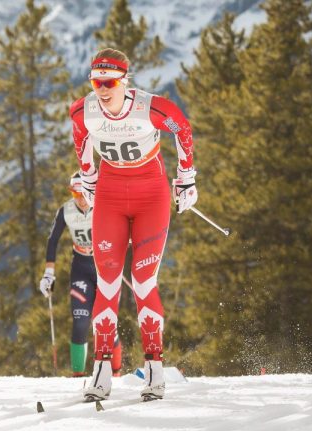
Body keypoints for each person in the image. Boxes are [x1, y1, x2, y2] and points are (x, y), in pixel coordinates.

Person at [70, 48, 197, 402]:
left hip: (150, 197)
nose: (102, 89)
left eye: (109, 82)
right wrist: (88, 177)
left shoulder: (150, 107)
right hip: (110, 198)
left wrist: (186, 177)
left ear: (125, 80)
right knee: (107, 282)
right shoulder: (84, 110)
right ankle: (100, 374)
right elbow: (80, 138)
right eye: (97, 82)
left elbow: (182, 128)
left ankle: (155, 371)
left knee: (143, 281)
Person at [38, 173, 122, 378]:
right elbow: (53, 241)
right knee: (81, 320)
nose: (80, 198)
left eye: (84, 193)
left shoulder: (102, 205)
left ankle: (116, 373)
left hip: (104, 267)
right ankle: (78, 376)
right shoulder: (65, 211)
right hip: (81, 267)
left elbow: (121, 229)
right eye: (75, 193)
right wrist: (49, 273)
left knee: (105, 322)